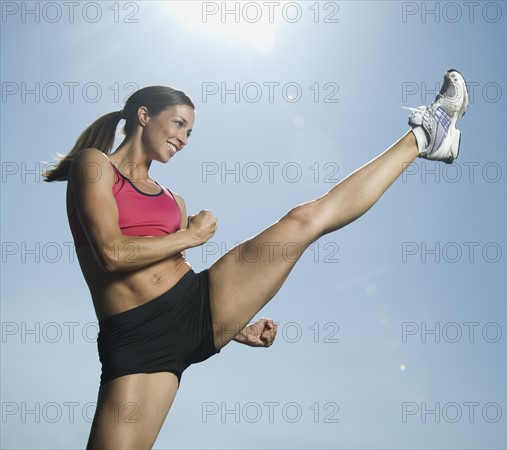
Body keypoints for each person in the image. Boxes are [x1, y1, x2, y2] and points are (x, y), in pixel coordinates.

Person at [43, 69, 468, 449]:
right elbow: (112, 253)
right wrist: (189, 236)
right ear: (143, 115)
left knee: (304, 220)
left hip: (197, 308)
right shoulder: (94, 166)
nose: (183, 138)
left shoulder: (174, 200)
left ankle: (426, 134)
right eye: (178, 124)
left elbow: (172, 273)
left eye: (190, 132)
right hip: (134, 342)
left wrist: (236, 328)